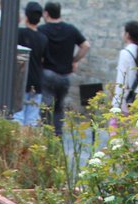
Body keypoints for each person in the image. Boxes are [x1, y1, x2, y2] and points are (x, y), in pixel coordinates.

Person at [38, 2, 90, 136]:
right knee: (59, 108)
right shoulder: (70, 29)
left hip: (47, 73)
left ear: (46, 13)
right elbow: (85, 46)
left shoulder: (42, 30)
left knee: (46, 109)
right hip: (64, 77)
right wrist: (74, 60)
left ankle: (45, 137)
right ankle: (58, 136)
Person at [14, 3, 48, 127]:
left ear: (26, 17)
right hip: (37, 80)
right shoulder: (43, 38)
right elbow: (44, 60)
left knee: (17, 115)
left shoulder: (19, 33)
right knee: (32, 119)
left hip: (21, 80)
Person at [112, 20, 138, 113]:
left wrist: (116, 104)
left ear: (127, 34)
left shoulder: (126, 53)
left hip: (127, 101)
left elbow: (122, 80)